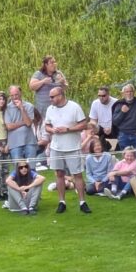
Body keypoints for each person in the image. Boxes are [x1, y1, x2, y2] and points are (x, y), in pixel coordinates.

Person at [43, 86, 91, 214]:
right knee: (59, 174)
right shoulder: (50, 109)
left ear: (60, 95)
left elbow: (84, 124)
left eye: (52, 97)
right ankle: (62, 202)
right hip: (56, 147)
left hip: (73, 147)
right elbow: (47, 126)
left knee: (77, 174)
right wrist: (52, 130)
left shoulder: (74, 107)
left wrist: (68, 129)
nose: (50, 99)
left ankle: (82, 202)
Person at [110, 83, 136, 180]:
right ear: (123, 93)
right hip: (123, 135)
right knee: (126, 159)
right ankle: (126, 181)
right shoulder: (119, 104)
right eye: (127, 92)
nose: (129, 93)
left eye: (130, 91)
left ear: (134, 92)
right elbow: (115, 121)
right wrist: (122, 112)